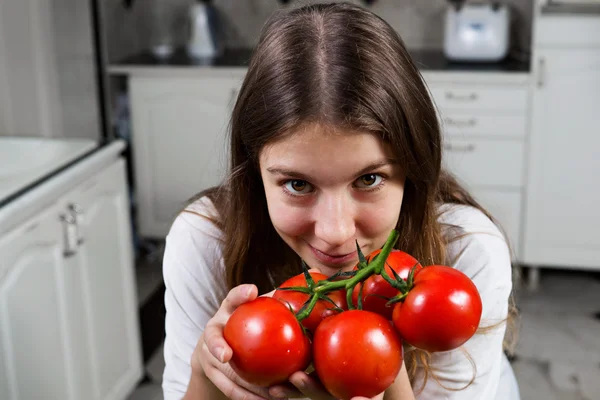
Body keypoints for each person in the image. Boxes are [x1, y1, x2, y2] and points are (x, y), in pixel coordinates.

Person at [161, 2, 520, 400]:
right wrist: (205, 372)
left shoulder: (466, 251)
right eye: (297, 185)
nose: (335, 233)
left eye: (369, 179)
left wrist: (380, 373)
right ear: (253, 170)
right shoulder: (205, 238)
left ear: (413, 167)